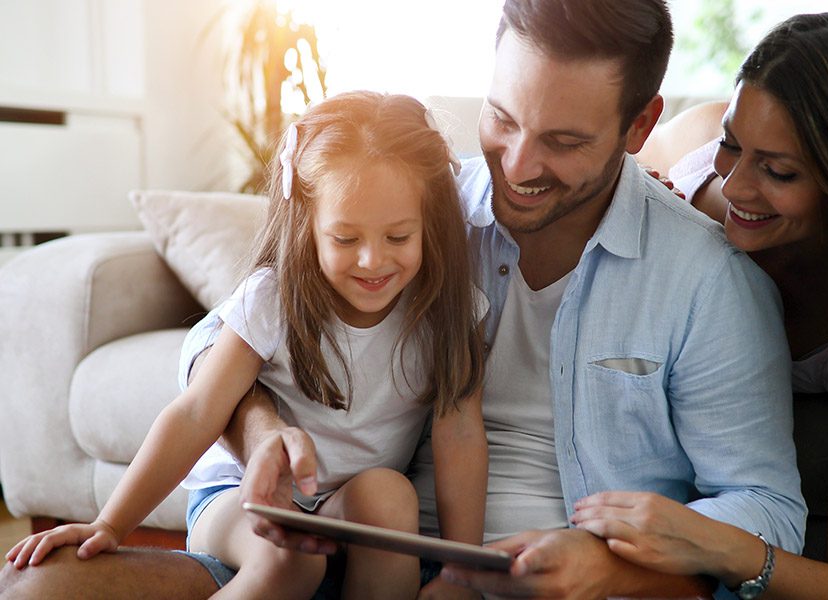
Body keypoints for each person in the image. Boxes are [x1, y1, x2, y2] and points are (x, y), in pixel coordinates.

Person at [0, 1, 807, 598]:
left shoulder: (706, 282)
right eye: (501, 117)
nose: (516, 165)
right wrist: (264, 426)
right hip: (312, 541)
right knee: (39, 589)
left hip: (524, 581)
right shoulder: (420, 205)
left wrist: (622, 563)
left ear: (640, 127)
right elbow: (228, 338)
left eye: (564, 141)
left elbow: (767, 506)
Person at [4, 91, 489, 600]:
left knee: (391, 496)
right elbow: (196, 413)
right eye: (346, 239)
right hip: (239, 498)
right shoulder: (273, 297)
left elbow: (459, 435)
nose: (373, 261)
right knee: (290, 552)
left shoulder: (450, 311)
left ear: (428, 222)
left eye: (398, 237)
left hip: (350, 507)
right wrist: (110, 524)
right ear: (309, 226)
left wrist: (462, 574)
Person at [575, 13, 828, 599]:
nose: (738, 185)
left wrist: (713, 543)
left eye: (778, 171)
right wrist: (639, 190)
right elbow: (622, 162)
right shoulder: (698, 156)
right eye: (732, 143)